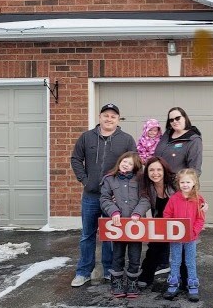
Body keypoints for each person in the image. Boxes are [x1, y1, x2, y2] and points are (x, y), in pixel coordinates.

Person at [70, 103, 137, 287]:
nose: (109, 119)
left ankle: (109, 270)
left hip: (113, 198)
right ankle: (83, 271)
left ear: (118, 119)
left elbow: (134, 164)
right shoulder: (86, 137)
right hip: (91, 196)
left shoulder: (126, 139)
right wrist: (84, 179)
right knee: (87, 235)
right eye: (106, 115)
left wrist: (123, 189)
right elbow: (76, 159)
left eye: (113, 116)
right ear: (100, 117)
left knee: (110, 235)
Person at [100, 151, 150, 298]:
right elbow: (104, 199)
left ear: (135, 167)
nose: (126, 164)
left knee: (135, 255)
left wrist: (138, 213)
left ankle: (132, 282)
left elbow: (145, 199)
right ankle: (117, 282)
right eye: (124, 161)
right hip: (118, 226)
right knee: (117, 255)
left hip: (135, 225)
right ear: (119, 161)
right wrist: (113, 211)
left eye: (130, 163)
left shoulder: (141, 180)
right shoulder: (109, 179)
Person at [163, 168, 205, 302]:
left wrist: (194, 231)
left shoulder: (199, 199)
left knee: (190, 261)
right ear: (178, 183)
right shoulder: (174, 199)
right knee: (175, 260)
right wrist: (171, 228)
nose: (185, 185)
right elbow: (167, 215)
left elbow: (200, 218)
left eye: (188, 182)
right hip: (176, 237)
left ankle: (192, 284)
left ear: (194, 183)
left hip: (191, 238)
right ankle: (174, 282)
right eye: (182, 182)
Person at [137, 156, 176, 288]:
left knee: (180, 250)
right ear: (147, 172)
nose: (155, 173)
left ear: (164, 170)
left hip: (176, 219)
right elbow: (144, 201)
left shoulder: (174, 182)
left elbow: (191, 193)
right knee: (154, 247)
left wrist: (202, 204)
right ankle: (146, 274)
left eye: (159, 169)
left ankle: (184, 278)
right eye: (151, 170)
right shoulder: (147, 186)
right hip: (158, 219)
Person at [154, 107, 202, 175]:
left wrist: (185, 183)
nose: (174, 121)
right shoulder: (167, 134)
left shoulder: (193, 140)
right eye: (171, 120)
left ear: (185, 118)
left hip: (177, 183)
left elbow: (194, 169)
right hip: (159, 180)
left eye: (177, 118)